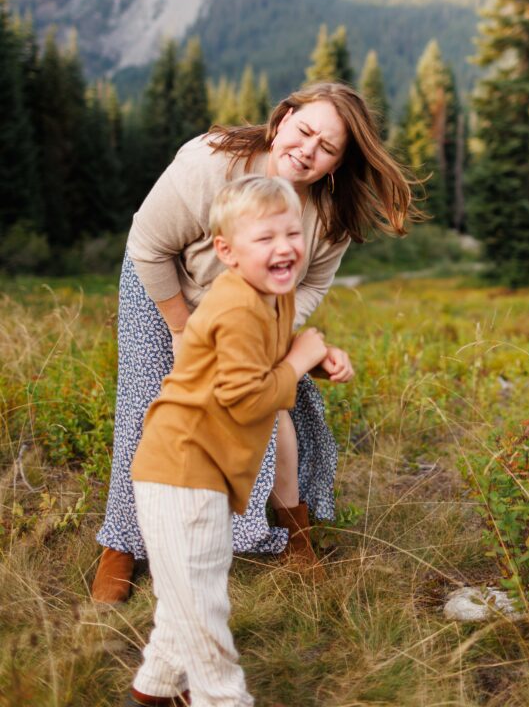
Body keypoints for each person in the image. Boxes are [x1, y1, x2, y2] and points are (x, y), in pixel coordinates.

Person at [93, 81, 414, 604]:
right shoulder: (210, 165)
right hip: (167, 284)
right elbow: (148, 247)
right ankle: (123, 547)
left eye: (327, 147)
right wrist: (182, 330)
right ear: (283, 119)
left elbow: (309, 285)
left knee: (272, 405)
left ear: (336, 163)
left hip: (249, 308)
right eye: (304, 130)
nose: (308, 150)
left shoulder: (329, 215)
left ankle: (295, 536)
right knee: (150, 402)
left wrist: (269, 329)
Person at [129, 175, 349, 707]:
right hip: (182, 469)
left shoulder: (272, 294)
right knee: (202, 606)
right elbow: (248, 400)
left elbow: (265, 364)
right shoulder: (235, 306)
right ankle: (222, 698)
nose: (285, 248)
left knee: (186, 593)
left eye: (292, 233)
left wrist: (310, 360)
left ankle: (157, 687)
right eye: (265, 238)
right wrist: (298, 359)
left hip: (203, 471)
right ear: (226, 252)